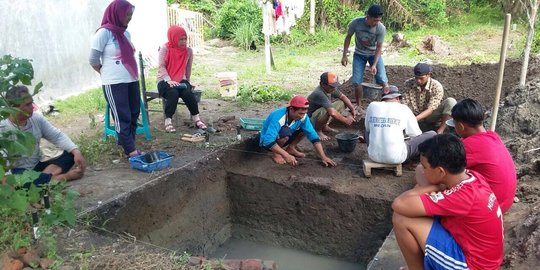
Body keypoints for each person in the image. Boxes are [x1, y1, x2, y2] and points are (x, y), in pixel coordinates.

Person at [392, 134, 503, 270]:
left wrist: (434, 187)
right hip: (482, 256)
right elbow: (420, 172)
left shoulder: (463, 197)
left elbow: (399, 204)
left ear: (440, 171)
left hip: (473, 265)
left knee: (402, 219)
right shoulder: (473, 177)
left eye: (426, 167)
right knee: (420, 197)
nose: (423, 169)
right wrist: (432, 185)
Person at [0, 86, 86, 183]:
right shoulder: (2, 128)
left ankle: (42, 180)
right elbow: (4, 169)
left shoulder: (36, 119)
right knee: (14, 180)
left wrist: (76, 152)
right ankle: (61, 178)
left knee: (70, 154)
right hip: (17, 171)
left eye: (31, 102)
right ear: (14, 108)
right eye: (27, 105)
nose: (32, 107)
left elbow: (57, 137)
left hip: (37, 167)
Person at [89, 0, 142, 157]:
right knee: (122, 115)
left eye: (131, 15)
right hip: (114, 82)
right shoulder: (103, 33)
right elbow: (93, 59)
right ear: (117, 13)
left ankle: (127, 142)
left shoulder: (126, 33)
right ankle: (130, 150)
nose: (129, 18)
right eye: (127, 14)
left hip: (131, 79)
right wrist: (104, 73)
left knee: (134, 112)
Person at [445, 98, 516, 213]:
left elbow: (443, 170)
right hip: (505, 200)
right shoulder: (492, 136)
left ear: (461, 127)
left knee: (434, 175)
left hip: (492, 206)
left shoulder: (469, 146)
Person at [365, 86, 436, 164]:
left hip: (373, 156)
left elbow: (368, 130)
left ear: (383, 98)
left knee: (367, 131)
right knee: (432, 134)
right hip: (396, 158)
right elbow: (416, 134)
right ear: (398, 98)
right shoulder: (403, 108)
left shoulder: (372, 106)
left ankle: (376, 150)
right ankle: (416, 161)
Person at [259, 96, 336, 167]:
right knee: (285, 133)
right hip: (267, 143)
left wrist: (323, 157)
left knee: (306, 128)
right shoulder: (278, 116)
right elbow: (267, 141)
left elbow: (313, 136)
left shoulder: (303, 116)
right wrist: (286, 155)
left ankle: (291, 148)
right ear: (291, 109)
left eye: (304, 113)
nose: (302, 116)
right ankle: (276, 154)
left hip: (286, 135)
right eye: (300, 113)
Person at [157, 25, 207, 133]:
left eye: (185, 39)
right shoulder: (165, 48)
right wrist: (169, 80)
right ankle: (168, 121)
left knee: (188, 93)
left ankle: (196, 119)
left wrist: (188, 82)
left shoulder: (188, 51)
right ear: (173, 38)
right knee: (173, 93)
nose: (183, 41)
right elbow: (161, 66)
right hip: (164, 80)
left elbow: (188, 68)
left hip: (180, 79)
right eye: (181, 39)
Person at [341, 4, 390, 107]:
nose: (376, 23)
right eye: (374, 20)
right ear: (367, 16)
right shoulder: (356, 23)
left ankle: (386, 104)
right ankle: (359, 106)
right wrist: (344, 55)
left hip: (374, 54)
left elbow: (379, 47)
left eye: (378, 20)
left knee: (382, 78)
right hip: (359, 54)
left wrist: (374, 64)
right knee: (356, 81)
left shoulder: (381, 28)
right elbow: (348, 37)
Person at [402, 63, 456, 134]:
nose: (418, 80)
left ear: (429, 75)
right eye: (416, 77)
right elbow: (405, 105)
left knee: (451, 101)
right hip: (413, 115)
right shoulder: (408, 84)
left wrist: (414, 120)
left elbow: (430, 109)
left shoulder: (436, 86)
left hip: (431, 116)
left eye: (421, 78)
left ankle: (440, 131)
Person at [307, 71, 357, 140]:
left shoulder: (330, 89)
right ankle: (318, 130)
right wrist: (346, 120)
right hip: (309, 120)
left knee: (341, 103)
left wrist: (352, 109)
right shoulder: (319, 93)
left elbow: (343, 97)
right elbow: (332, 113)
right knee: (328, 110)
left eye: (334, 86)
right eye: (331, 86)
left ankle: (324, 126)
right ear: (322, 84)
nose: (333, 88)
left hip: (318, 114)